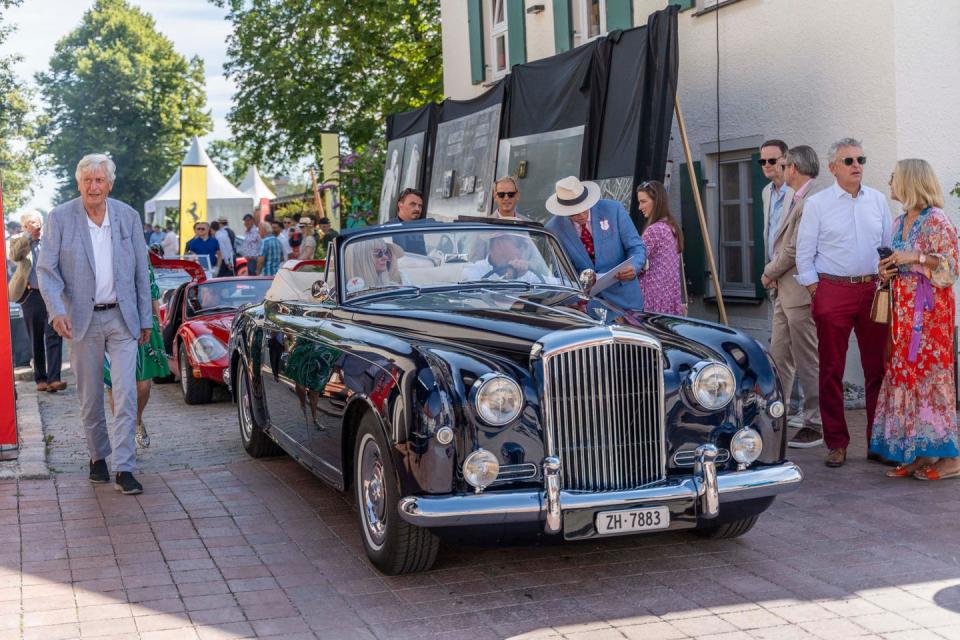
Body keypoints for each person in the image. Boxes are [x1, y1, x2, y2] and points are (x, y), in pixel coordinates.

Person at [38, 153, 152, 495]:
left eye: (99, 180)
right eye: (87, 180)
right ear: (79, 183)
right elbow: (46, 271)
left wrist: (146, 317)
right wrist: (57, 311)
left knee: (126, 390)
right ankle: (97, 457)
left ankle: (124, 467)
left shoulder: (128, 216)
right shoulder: (59, 218)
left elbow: (140, 274)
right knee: (89, 396)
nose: (93, 187)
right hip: (81, 321)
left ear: (110, 184)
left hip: (122, 316)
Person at [795, 138, 891, 468]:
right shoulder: (818, 204)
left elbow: (887, 248)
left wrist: (885, 284)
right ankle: (837, 443)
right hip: (832, 290)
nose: (856, 165)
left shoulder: (877, 201)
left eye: (860, 159)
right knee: (831, 370)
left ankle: (878, 442)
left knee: (877, 369)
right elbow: (804, 254)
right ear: (834, 168)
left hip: (871, 291)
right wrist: (815, 292)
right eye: (848, 160)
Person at [872, 159, 959, 480]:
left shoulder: (937, 220)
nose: (890, 181)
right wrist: (886, 270)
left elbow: (951, 268)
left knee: (931, 378)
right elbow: (896, 263)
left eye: (895, 177)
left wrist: (916, 257)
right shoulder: (898, 222)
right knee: (904, 376)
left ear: (910, 182)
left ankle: (951, 458)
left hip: (931, 314)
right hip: (902, 313)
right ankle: (920, 453)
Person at [761, 146, 823, 448]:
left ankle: (815, 422)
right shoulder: (794, 196)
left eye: (783, 165)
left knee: (806, 358)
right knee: (779, 355)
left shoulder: (812, 198)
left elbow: (795, 248)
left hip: (798, 289)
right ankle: (778, 413)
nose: (779, 170)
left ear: (794, 168)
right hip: (783, 290)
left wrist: (769, 271)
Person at [545, 176, 646, 311]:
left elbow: (637, 247)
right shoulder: (554, 228)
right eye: (574, 213)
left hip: (626, 299)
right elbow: (561, 271)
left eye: (584, 208)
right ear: (563, 211)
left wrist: (634, 267)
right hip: (587, 306)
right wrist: (574, 300)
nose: (581, 215)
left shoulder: (613, 210)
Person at [104, 260, 170, 448]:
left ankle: (136, 421)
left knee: (143, 386)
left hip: (139, 323)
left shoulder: (137, 248)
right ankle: (123, 436)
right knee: (115, 386)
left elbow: (151, 287)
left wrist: (157, 321)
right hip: (108, 322)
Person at [8, 211, 65, 392]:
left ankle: (55, 379)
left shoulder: (51, 239)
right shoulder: (18, 240)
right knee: (36, 337)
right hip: (31, 294)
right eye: (30, 223)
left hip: (52, 294)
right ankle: (40, 378)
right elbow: (15, 256)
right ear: (24, 226)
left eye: (37, 222)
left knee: (54, 333)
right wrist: (28, 237)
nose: (35, 226)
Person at [636, 180, 684, 315]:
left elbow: (636, 263)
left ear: (656, 201)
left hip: (652, 298)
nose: (640, 207)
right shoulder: (672, 227)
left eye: (643, 201)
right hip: (669, 295)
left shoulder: (655, 230)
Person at [462, 232, 546, 283]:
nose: (522, 250)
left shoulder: (525, 272)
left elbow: (555, 285)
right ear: (499, 244)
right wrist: (508, 278)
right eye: (519, 244)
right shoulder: (474, 271)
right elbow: (479, 302)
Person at [390, 188, 427, 255]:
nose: (417, 209)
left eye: (420, 206)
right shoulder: (389, 229)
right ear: (400, 205)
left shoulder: (421, 228)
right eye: (413, 204)